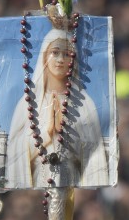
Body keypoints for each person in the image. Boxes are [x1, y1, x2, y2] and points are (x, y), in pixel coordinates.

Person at [6, 26, 109, 188]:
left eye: (67, 54)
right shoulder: (28, 102)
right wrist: (47, 133)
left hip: (72, 182)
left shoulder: (84, 103)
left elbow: (93, 152)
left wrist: (66, 135)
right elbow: (15, 151)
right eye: (55, 52)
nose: (60, 59)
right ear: (45, 57)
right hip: (39, 183)